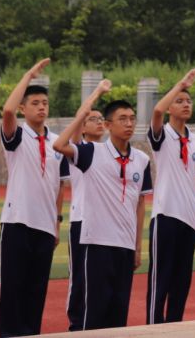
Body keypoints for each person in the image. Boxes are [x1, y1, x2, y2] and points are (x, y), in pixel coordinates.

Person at [54, 82, 153, 330]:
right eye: (122, 119)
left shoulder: (141, 160)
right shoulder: (92, 152)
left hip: (125, 245)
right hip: (97, 243)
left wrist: (138, 246)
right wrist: (94, 97)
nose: (129, 123)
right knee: (95, 313)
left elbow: (140, 204)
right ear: (108, 125)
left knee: (119, 314)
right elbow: (59, 145)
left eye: (132, 119)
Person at [0, 59, 70, 337]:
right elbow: (6, 110)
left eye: (45, 103)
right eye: (35, 102)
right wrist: (28, 75)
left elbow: (60, 187)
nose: (41, 107)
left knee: (36, 291)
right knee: (12, 290)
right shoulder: (17, 135)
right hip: (17, 223)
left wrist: (57, 223)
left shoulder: (57, 142)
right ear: (23, 108)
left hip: (44, 227)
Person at [146, 69, 195, 324]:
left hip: (188, 219)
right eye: (179, 101)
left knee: (182, 280)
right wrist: (180, 84)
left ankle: (174, 325)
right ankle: (153, 326)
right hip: (165, 215)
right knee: (161, 277)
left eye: (188, 101)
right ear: (171, 106)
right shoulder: (162, 136)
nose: (185, 105)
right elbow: (156, 112)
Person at [65, 105, 106, 331]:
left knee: (100, 277)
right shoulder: (78, 150)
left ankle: (96, 321)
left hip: (104, 223)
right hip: (81, 220)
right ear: (83, 125)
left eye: (101, 118)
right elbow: (73, 137)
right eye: (93, 119)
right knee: (79, 276)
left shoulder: (111, 152)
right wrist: (83, 110)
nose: (99, 122)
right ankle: (76, 323)